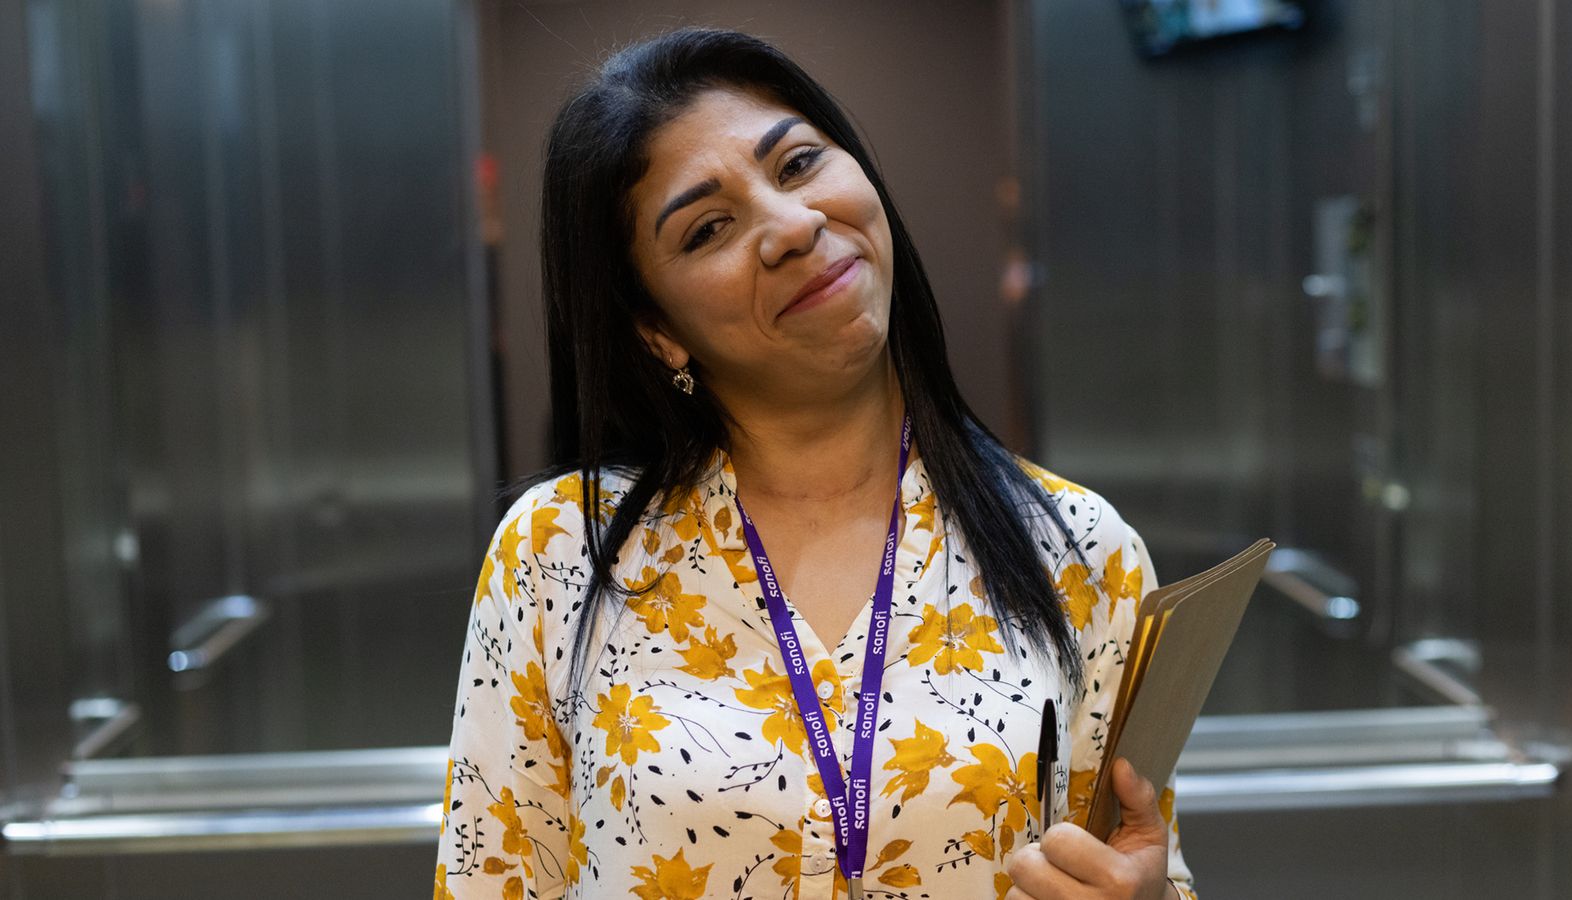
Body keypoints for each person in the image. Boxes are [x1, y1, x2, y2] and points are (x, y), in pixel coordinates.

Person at [434, 26, 1197, 900]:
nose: (792, 226)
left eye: (798, 165)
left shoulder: (1077, 548)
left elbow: (1146, 862)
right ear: (657, 328)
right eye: (708, 228)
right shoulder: (561, 552)